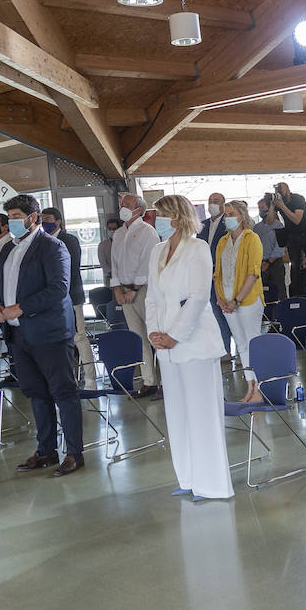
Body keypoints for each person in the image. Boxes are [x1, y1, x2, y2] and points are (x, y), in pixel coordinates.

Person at [148, 195, 233, 500]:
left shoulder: (197, 248)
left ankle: (212, 485)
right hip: (166, 345)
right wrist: (155, 333)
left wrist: (175, 334)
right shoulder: (157, 250)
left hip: (194, 340)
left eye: (158, 214)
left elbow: (198, 297)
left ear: (175, 217)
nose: (154, 219)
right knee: (178, 413)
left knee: (201, 413)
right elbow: (152, 297)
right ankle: (188, 477)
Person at [0, 194, 84, 477]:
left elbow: (58, 289)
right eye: (9, 217)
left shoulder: (52, 247)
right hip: (19, 335)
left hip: (49, 332)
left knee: (63, 392)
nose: (12, 222)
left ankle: (74, 453)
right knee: (36, 393)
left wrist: (19, 308)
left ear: (33, 217)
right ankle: (46, 450)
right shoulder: (8, 248)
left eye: (16, 216)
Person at [39, 208, 97, 391]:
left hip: (71, 296)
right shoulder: (43, 242)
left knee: (79, 337)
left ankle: (90, 380)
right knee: (60, 341)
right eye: (42, 219)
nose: (44, 222)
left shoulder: (68, 240)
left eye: (48, 219)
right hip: (52, 301)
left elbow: (70, 270)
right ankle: (69, 379)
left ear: (58, 221)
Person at [214, 200, 266, 403]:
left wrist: (237, 299)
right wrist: (221, 299)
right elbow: (217, 273)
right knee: (241, 345)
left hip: (248, 299)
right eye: (225, 214)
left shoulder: (252, 239)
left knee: (252, 342)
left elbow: (253, 273)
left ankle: (259, 387)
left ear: (242, 216)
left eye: (231, 213)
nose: (228, 217)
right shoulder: (222, 242)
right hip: (226, 300)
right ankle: (250, 385)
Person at [111, 193, 161, 397]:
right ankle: (150, 382)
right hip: (123, 291)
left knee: (155, 336)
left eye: (128, 205)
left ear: (138, 210)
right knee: (138, 338)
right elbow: (114, 263)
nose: (122, 207)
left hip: (143, 290)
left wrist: (134, 288)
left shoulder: (147, 232)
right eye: (122, 204)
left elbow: (147, 263)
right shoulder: (119, 233)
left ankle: (166, 382)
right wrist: (117, 288)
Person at [198, 192, 234, 356]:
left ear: (223, 204)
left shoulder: (229, 223)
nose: (212, 204)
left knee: (230, 313)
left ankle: (240, 351)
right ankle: (224, 350)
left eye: (216, 201)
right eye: (210, 201)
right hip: (207, 274)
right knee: (215, 313)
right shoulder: (203, 225)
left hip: (224, 274)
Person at [272, 181, 306, 297]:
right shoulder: (277, 202)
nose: (280, 193)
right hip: (292, 238)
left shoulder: (297, 199)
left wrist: (282, 206)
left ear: (288, 190)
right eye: (278, 191)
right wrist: (272, 205)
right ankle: (295, 295)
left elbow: (297, 219)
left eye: (282, 190)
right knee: (295, 268)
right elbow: (271, 221)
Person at [254, 198, 287, 303]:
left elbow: (280, 247)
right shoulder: (256, 228)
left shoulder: (279, 226)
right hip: (260, 264)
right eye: (259, 208)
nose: (261, 210)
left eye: (263, 208)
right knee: (264, 293)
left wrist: (268, 262)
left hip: (275, 264)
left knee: (279, 292)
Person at [97, 216, 120, 286]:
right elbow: (103, 264)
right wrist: (113, 274)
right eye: (109, 229)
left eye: (114, 229)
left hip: (124, 277)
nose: (112, 231)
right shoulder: (102, 246)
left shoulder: (124, 243)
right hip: (109, 278)